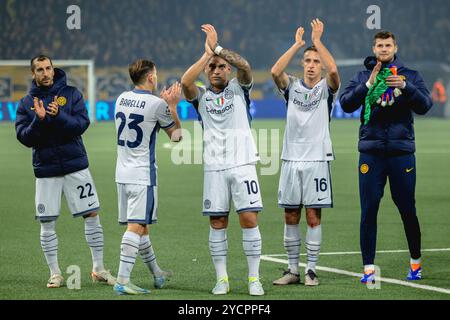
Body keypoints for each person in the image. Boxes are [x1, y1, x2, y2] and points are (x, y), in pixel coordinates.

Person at [339, 31, 433, 283]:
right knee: (368, 210)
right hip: (371, 153)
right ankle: (368, 268)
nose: (383, 48)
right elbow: (345, 103)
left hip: (401, 153)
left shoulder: (410, 75)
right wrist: (368, 84)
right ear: (374, 48)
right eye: (379, 45)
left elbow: (425, 105)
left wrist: (405, 86)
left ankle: (415, 263)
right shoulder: (362, 76)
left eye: (387, 45)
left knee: (407, 209)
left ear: (395, 47)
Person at [15, 55, 116, 288]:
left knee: (91, 214)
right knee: (47, 221)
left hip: (75, 166)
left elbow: (82, 125)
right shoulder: (26, 103)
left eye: (48, 68)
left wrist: (58, 116)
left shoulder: (71, 94)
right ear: (33, 73)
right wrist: (39, 120)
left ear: (53, 69)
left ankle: (99, 268)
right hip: (46, 169)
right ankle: (55, 273)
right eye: (39, 69)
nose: (45, 73)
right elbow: (24, 138)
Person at [181, 24, 264, 296]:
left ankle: (254, 279)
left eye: (221, 66)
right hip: (214, 168)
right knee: (217, 222)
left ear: (228, 70)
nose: (216, 70)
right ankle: (222, 279)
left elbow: (246, 65)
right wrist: (206, 55)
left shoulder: (239, 89)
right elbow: (185, 82)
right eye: (212, 67)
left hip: (243, 165)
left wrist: (217, 49)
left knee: (249, 220)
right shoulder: (200, 97)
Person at [270, 19, 340, 286]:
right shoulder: (292, 87)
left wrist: (318, 41)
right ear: (302, 64)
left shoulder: (326, 89)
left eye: (315, 61)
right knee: (290, 215)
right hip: (290, 159)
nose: (312, 65)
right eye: (308, 60)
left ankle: (311, 270)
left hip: (317, 160)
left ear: (319, 65)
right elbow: (275, 70)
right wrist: (297, 44)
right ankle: (292, 270)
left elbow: (333, 69)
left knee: (312, 215)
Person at [113, 59, 182, 295]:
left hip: (121, 173)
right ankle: (122, 280)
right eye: (156, 73)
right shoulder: (156, 104)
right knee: (136, 227)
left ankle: (157, 274)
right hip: (143, 175)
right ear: (151, 77)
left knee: (142, 228)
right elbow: (176, 137)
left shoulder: (121, 98)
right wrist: (171, 105)